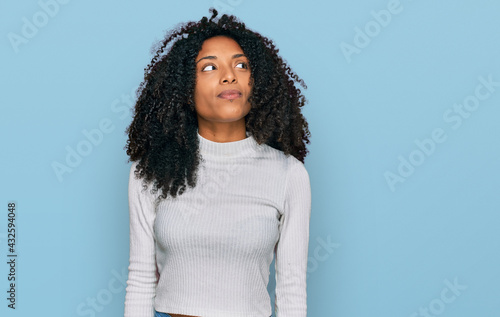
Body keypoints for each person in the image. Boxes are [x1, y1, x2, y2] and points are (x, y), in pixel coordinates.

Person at [123, 8, 312, 317]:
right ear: (185, 89)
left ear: (256, 82)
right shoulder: (150, 173)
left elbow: (291, 288)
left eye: (241, 65)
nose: (229, 75)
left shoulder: (289, 174)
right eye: (209, 68)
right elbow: (142, 279)